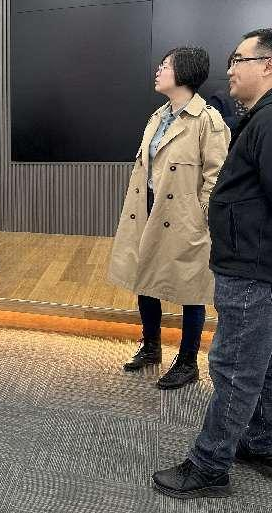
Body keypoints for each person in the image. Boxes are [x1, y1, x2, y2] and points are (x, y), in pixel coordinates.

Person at [153, 28, 272, 499]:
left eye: (239, 59)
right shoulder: (270, 116)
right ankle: (262, 444)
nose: (230, 69)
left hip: (255, 264)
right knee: (265, 360)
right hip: (256, 259)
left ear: (268, 65)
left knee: (235, 367)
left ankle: (209, 465)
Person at [109, 47, 230, 389]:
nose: (158, 70)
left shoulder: (207, 121)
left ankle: (188, 362)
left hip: (184, 218)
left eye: (165, 66)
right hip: (149, 209)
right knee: (144, 277)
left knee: (191, 287)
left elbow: (217, 178)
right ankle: (151, 347)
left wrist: (201, 218)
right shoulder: (159, 116)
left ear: (184, 73)